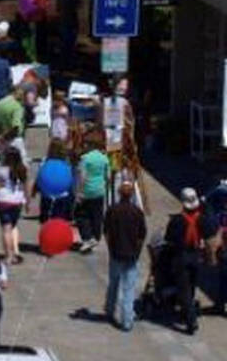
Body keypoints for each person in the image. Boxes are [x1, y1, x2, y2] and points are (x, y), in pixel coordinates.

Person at [165, 188, 215, 334]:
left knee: (184, 289)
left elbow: (168, 239)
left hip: (181, 256)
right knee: (192, 286)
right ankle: (187, 311)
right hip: (195, 256)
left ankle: (190, 319)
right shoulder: (202, 219)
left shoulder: (177, 220)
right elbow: (210, 234)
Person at [103, 181, 146, 331]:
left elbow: (106, 232)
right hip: (132, 254)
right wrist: (137, 251)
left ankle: (109, 309)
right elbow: (142, 235)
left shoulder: (112, 210)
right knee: (129, 289)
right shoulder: (137, 212)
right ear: (132, 195)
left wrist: (110, 248)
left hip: (116, 252)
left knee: (113, 283)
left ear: (119, 194)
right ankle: (127, 320)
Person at [0, 147, 27, 263]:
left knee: (6, 229)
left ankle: (9, 255)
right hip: (17, 201)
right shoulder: (22, 169)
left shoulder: (2, 170)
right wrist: (27, 202)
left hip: (3, 201)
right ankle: (15, 252)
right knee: (12, 227)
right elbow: (26, 187)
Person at [76, 133, 111, 252]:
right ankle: (96, 237)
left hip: (87, 191)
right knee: (97, 215)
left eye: (86, 143)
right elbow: (108, 176)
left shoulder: (85, 158)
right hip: (99, 191)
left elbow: (82, 176)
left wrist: (79, 192)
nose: (84, 145)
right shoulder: (104, 158)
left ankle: (87, 237)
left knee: (81, 215)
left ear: (91, 145)